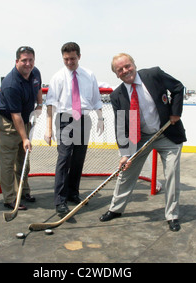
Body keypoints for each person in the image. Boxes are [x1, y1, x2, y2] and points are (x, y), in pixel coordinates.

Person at [99, 53, 186, 232]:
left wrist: (176, 112)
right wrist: (124, 154)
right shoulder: (118, 95)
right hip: (140, 138)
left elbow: (178, 87)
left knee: (171, 174)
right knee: (126, 172)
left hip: (167, 133)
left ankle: (172, 215)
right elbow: (122, 126)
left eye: (127, 66)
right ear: (116, 74)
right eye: (120, 69)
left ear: (134, 64)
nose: (125, 71)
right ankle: (116, 209)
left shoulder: (153, 75)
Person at [44, 42, 104, 214]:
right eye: (66, 59)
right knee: (64, 159)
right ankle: (60, 200)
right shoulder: (58, 77)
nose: (69, 62)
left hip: (84, 120)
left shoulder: (89, 75)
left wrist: (100, 118)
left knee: (78, 159)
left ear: (79, 56)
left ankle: (73, 193)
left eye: (72, 58)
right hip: (65, 120)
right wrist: (48, 129)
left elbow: (96, 99)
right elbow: (50, 104)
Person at [0, 46, 43, 211]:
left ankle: (23, 191)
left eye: (30, 60)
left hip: (25, 119)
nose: (28, 64)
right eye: (24, 60)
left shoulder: (35, 72)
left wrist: (40, 104)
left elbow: (38, 88)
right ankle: (9, 198)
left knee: (24, 160)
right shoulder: (11, 84)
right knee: (8, 162)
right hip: (7, 122)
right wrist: (25, 138)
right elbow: (16, 116)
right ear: (17, 62)